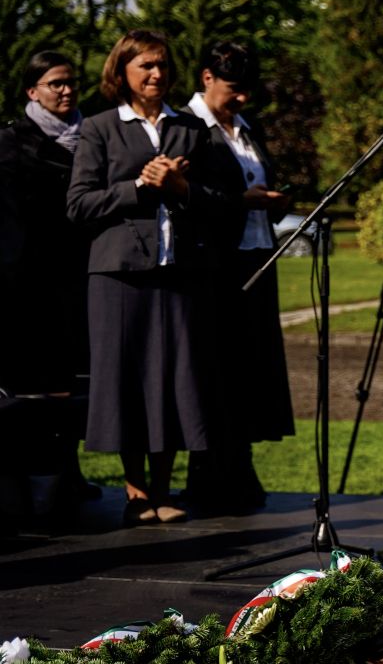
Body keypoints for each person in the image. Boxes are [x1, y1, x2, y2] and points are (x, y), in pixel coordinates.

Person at [66, 30, 237, 525]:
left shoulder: (190, 130)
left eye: (162, 65)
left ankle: (163, 489)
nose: (157, 74)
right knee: (127, 381)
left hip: (178, 274)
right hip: (118, 278)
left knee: (173, 379)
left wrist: (182, 185)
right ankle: (136, 491)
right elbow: (78, 205)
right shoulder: (99, 129)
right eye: (145, 66)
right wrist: (140, 185)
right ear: (122, 72)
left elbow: (219, 203)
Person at [186, 40, 295, 512]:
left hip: (256, 254)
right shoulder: (188, 128)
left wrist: (275, 203)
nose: (243, 98)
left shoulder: (247, 130)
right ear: (207, 77)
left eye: (247, 89)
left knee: (249, 368)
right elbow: (189, 195)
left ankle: (239, 467)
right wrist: (239, 203)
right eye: (234, 88)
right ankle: (210, 475)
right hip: (214, 263)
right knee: (215, 367)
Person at [0, 51, 94, 519]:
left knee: (75, 386)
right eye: (55, 83)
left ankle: (67, 477)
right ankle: (33, 490)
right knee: (35, 392)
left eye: (71, 82)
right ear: (32, 91)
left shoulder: (92, 135)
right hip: (29, 283)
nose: (66, 90)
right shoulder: (12, 143)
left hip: (80, 279)